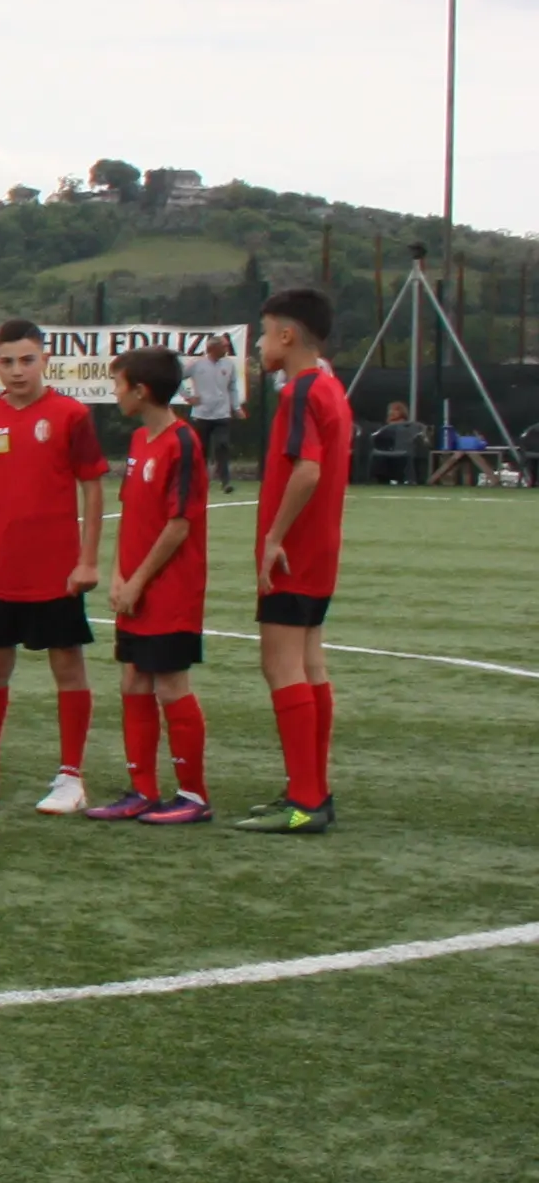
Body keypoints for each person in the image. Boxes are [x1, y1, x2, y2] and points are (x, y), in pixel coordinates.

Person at [0, 317, 107, 813]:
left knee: (67, 667)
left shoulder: (71, 414)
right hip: (0, 568)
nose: (17, 370)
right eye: (7, 361)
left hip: (56, 569)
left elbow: (93, 488)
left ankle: (71, 779)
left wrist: (89, 560)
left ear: (45, 360)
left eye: (26, 360)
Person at [247, 285, 352, 832]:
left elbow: (306, 469)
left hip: (295, 553)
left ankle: (306, 802)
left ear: (286, 336)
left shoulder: (300, 393)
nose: (261, 345)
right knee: (311, 664)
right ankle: (312, 789)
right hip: (322, 552)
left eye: (264, 333)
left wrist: (272, 538)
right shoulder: (332, 387)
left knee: (280, 664)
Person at [94, 345, 214, 823]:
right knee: (133, 680)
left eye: (118, 384)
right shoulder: (141, 442)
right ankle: (141, 788)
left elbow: (178, 524)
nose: (114, 393)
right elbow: (134, 517)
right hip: (136, 591)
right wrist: (119, 576)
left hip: (171, 591)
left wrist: (139, 580)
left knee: (170, 684)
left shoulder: (182, 443)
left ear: (140, 391)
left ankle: (194, 796)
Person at [184, 337, 242, 494]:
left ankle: (225, 481)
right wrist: (187, 396)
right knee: (200, 450)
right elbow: (177, 378)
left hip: (222, 414)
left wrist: (236, 407)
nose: (226, 349)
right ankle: (199, 482)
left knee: (222, 445)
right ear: (213, 348)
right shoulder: (197, 364)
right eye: (223, 346)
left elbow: (233, 387)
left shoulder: (229, 365)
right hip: (201, 414)